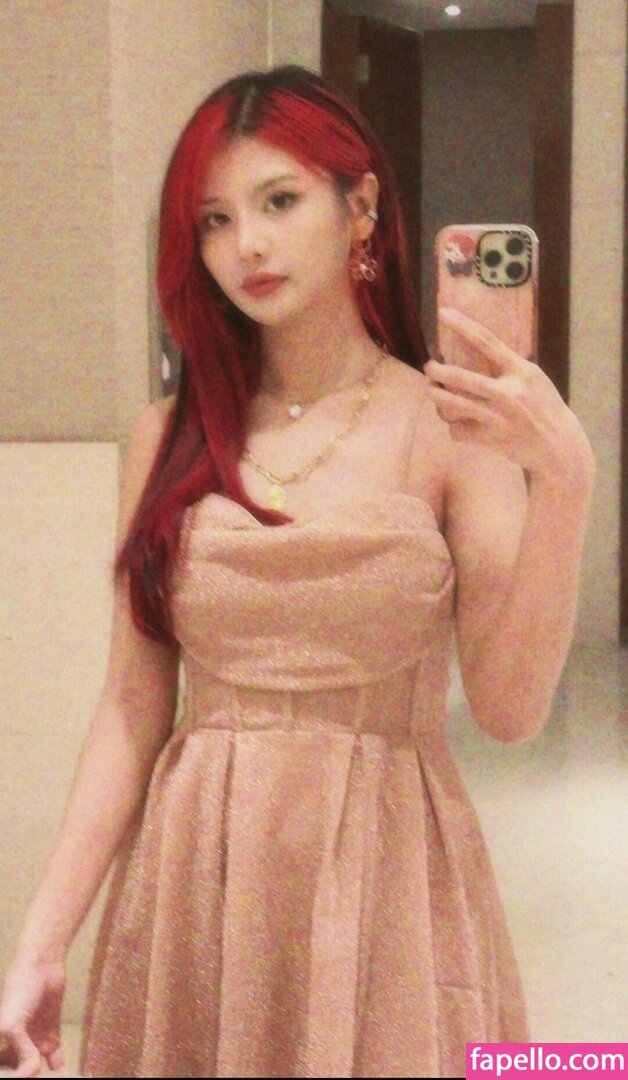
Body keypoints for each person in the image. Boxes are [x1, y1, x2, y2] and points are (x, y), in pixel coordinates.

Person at [0, 65, 595, 1079]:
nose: (248, 245)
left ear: (360, 208)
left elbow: (508, 709)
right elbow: (131, 711)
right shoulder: (167, 437)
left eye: (279, 201)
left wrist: (566, 481)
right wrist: (41, 945)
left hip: (386, 873)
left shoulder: (450, 430)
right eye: (215, 219)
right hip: (199, 877)